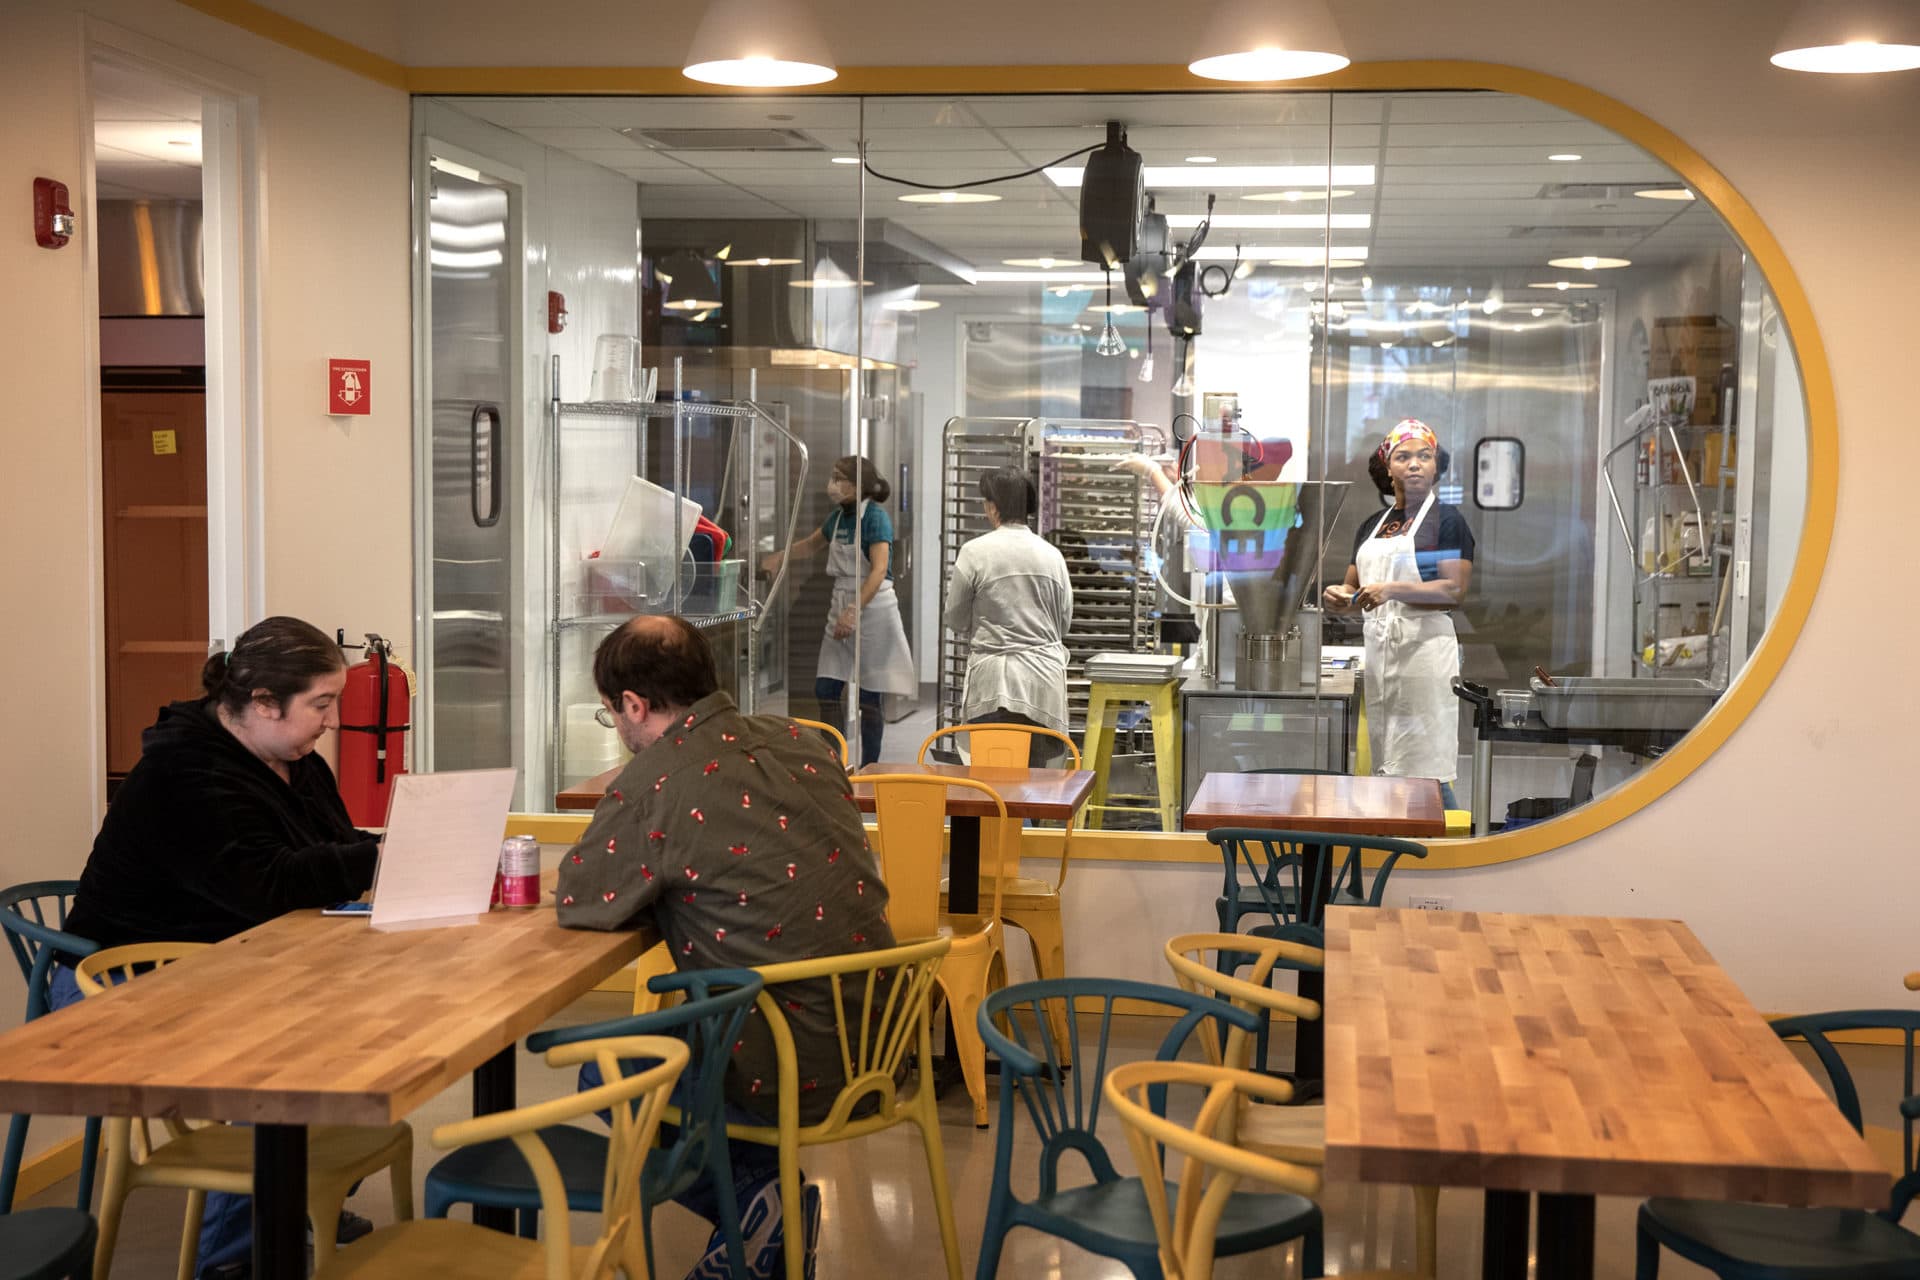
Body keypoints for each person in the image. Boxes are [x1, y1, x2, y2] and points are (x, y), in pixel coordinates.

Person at [558, 615, 896, 1280]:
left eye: (612, 715)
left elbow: (581, 897)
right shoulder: (803, 742)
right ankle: (766, 1211)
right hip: (880, 1040)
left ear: (633, 705)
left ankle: (755, 1199)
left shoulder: (657, 780)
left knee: (607, 1067)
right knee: (741, 1009)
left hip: (788, 1066)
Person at [56, 614, 379, 1279]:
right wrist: (377, 858)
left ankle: (294, 1195)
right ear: (262, 704)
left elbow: (330, 855)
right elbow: (269, 886)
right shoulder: (183, 774)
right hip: (116, 987)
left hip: (214, 963)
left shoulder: (295, 760)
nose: (333, 722)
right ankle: (239, 1254)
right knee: (285, 1053)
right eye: (321, 704)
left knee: (361, 1031)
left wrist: (367, 858)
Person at [1321, 419, 1475, 807]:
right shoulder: (1373, 526)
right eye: (1403, 456)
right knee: (1389, 761)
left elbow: (1453, 591)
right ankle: (1401, 844)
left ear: (1436, 466)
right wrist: (1339, 596)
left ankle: (1447, 852)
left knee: (1427, 768)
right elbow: (1352, 586)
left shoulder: (1448, 522)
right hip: (1381, 656)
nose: (1415, 464)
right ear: (1387, 468)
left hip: (1425, 654)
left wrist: (1390, 590)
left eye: (1425, 456)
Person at [760, 455, 916, 766]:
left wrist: (854, 610)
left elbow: (879, 569)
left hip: (873, 607)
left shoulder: (875, 519)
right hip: (841, 599)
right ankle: (835, 760)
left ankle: (870, 765)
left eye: (838, 478)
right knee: (826, 687)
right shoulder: (838, 517)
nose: (831, 485)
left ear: (858, 485)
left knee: (871, 696)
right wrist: (780, 556)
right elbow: (810, 544)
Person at [944, 467, 1074, 765]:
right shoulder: (1052, 556)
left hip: (995, 682)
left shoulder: (974, 553)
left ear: (993, 506)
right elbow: (1063, 622)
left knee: (993, 786)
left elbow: (955, 617)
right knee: (1036, 786)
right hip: (1043, 683)